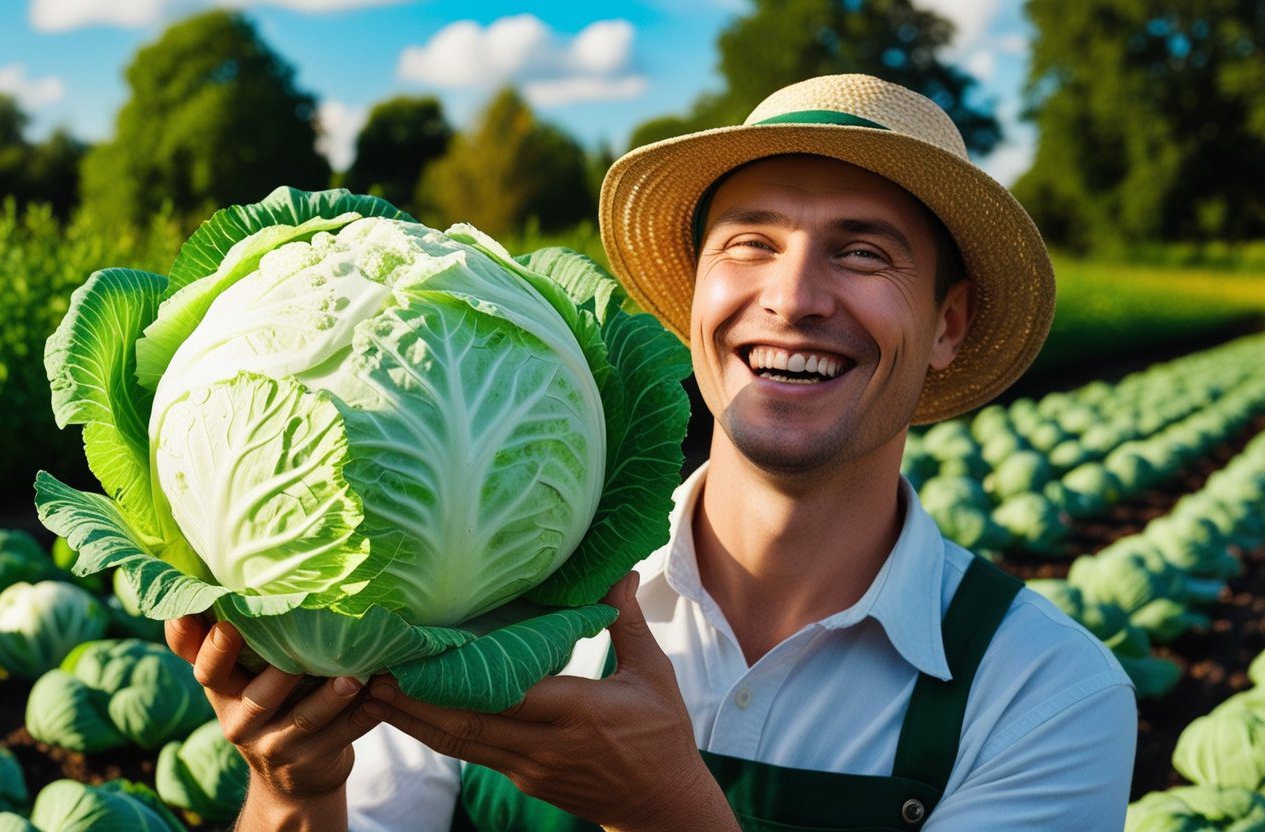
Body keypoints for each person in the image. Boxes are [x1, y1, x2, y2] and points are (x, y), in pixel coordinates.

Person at [165, 74, 1138, 831]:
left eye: (861, 252)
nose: (792, 298)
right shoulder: (486, 588)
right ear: (693, 297)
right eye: (749, 244)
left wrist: (664, 809)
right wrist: (291, 790)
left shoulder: (1041, 692)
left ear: (947, 325)